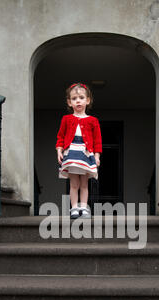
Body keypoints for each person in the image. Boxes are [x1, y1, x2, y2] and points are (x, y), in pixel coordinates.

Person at [56, 83, 102, 218]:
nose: (78, 101)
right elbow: (60, 136)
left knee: (84, 183)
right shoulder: (66, 119)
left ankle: (84, 208)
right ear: (70, 102)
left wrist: (97, 156)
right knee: (74, 183)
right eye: (74, 98)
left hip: (86, 154)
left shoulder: (93, 120)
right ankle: (74, 208)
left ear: (87, 100)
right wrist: (59, 150)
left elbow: (97, 141)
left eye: (81, 97)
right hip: (71, 153)